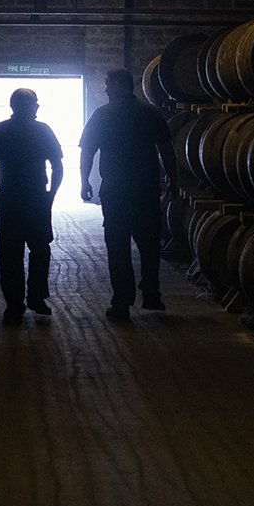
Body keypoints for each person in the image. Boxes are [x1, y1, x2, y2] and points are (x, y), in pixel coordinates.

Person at [79, 68, 178, 322]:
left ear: (119, 86)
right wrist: (173, 180)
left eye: (108, 84)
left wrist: (84, 182)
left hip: (115, 191)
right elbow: (166, 150)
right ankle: (151, 294)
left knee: (118, 246)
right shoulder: (150, 113)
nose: (105, 89)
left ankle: (122, 302)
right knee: (149, 244)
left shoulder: (101, 115)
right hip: (146, 189)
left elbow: (87, 152)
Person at [0, 88, 64, 326]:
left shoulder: (0, 130)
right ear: (29, 106)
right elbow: (57, 165)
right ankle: (35, 297)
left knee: (11, 254)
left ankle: (15, 305)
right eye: (35, 104)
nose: (36, 108)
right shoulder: (42, 130)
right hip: (36, 198)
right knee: (40, 250)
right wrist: (50, 195)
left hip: (10, 199)